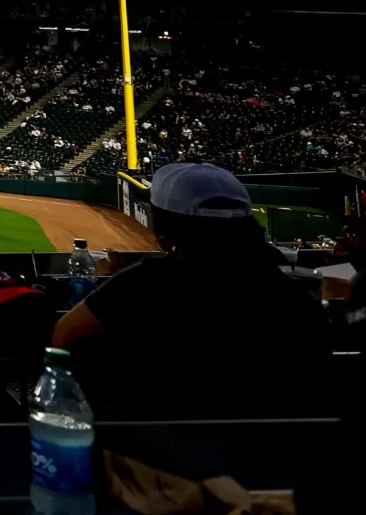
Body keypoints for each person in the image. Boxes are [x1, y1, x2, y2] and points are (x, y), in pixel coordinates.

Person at [52, 162, 332, 418]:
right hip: (279, 459)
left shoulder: (143, 284)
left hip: (165, 454)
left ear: (163, 237)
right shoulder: (296, 296)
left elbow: (64, 337)